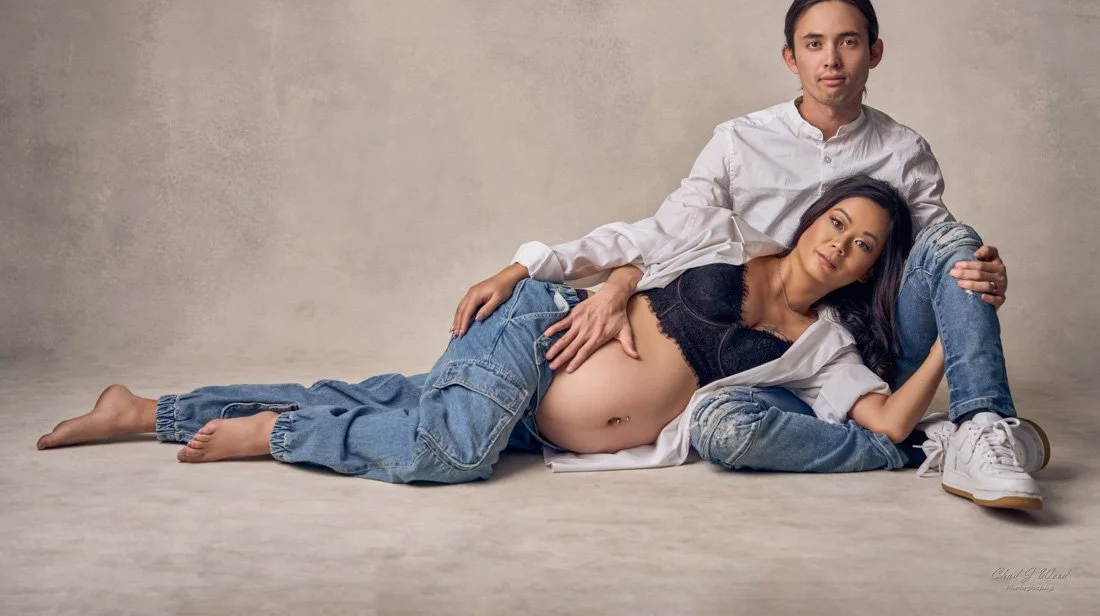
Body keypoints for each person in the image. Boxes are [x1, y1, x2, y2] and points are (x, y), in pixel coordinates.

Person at [458, 0, 1048, 510]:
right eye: (814, 44)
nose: (832, 60)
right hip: (763, 361)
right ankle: (920, 442)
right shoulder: (740, 141)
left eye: (849, 42)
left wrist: (976, 275)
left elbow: (938, 260)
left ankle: (983, 425)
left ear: (875, 52)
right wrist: (611, 281)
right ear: (791, 57)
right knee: (721, 427)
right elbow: (664, 232)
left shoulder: (903, 150)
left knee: (958, 240)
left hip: (861, 346)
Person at [38, 178, 949, 489]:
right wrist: (523, 269)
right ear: (814, 220)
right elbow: (618, 245)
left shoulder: (822, 346)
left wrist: (952, 334)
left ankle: (146, 411)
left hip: (539, 423)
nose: (843, 246)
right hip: (534, 333)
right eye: (839, 225)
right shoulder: (722, 236)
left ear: (869, 269)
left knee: (381, 404)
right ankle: (272, 436)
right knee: (448, 447)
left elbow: (886, 423)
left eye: (864, 247)